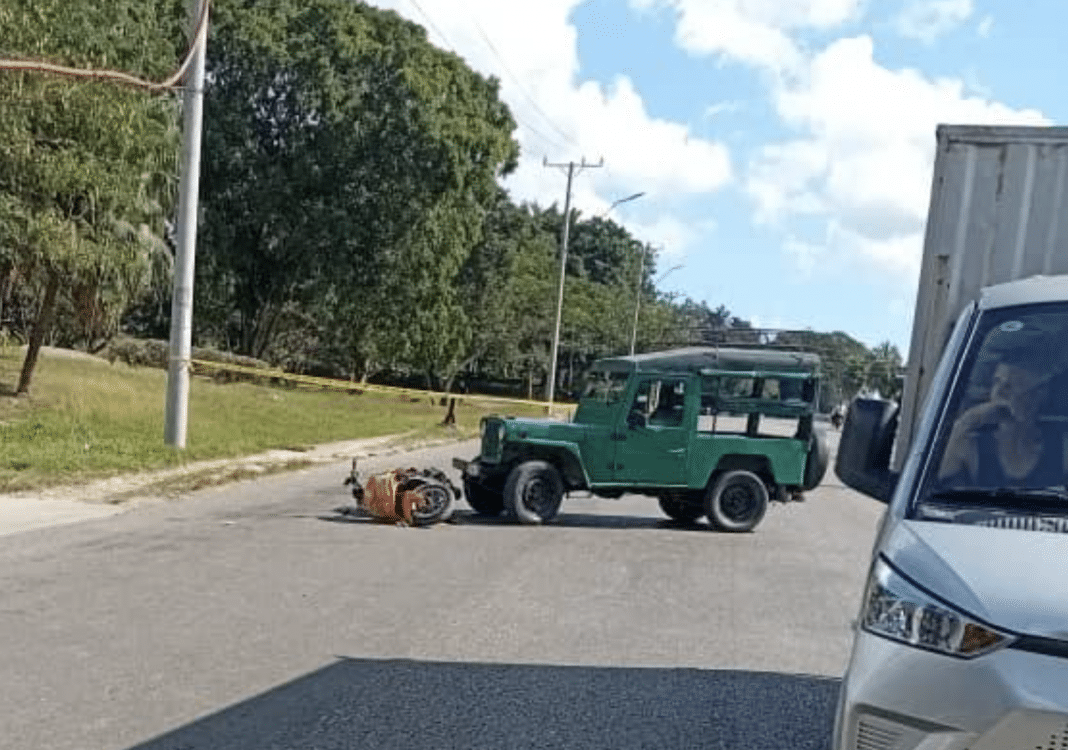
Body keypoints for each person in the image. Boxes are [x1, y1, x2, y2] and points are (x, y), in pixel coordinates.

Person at [937, 351, 1064, 487]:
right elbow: (934, 483)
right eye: (997, 382)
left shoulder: (1060, 447)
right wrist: (967, 420)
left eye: (1010, 386)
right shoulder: (972, 445)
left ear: (1038, 394)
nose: (999, 392)